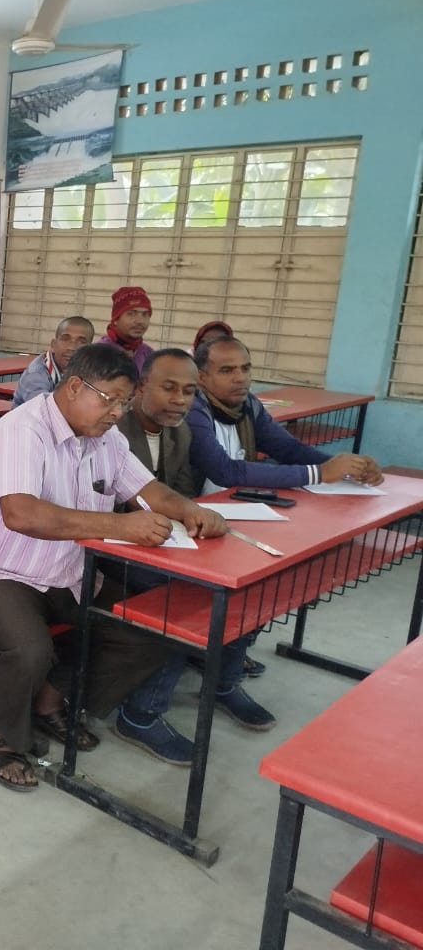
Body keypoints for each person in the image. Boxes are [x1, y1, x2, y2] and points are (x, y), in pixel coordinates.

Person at [0, 344, 226, 792]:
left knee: (152, 630)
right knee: (29, 650)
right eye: (110, 400)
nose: (117, 413)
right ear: (75, 387)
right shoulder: (21, 430)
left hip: (72, 571)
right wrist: (120, 525)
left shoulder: (105, 437)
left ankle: (51, 700)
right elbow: (21, 514)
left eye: (125, 403)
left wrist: (191, 510)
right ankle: (4, 737)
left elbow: (147, 489)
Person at [108, 349, 274, 761]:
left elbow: (180, 494)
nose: (179, 400)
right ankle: (140, 714)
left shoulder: (180, 433)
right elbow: (108, 506)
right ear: (140, 388)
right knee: (186, 597)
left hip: (163, 540)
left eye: (188, 391)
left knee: (248, 577)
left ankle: (223, 682)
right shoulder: (113, 431)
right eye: (168, 388)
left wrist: (195, 517)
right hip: (111, 545)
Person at [187, 337, 384, 494]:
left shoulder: (248, 405)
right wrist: (320, 472)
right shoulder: (193, 409)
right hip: (194, 512)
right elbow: (225, 471)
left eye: (245, 368)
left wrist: (349, 468)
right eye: (226, 371)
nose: (240, 378)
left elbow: (288, 449)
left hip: (234, 503)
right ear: (201, 377)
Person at [11, 316, 96, 407]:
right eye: (65, 339)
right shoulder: (36, 374)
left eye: (81, 342)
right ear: (53, 345)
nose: (72, 347)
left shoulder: (92, 370)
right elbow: (44, 410)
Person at [100, 286, 154, 374]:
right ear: (116, 319)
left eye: (145, 314)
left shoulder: (148, 354)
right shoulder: (99, 353)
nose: (140, 321)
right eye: (131, 314)